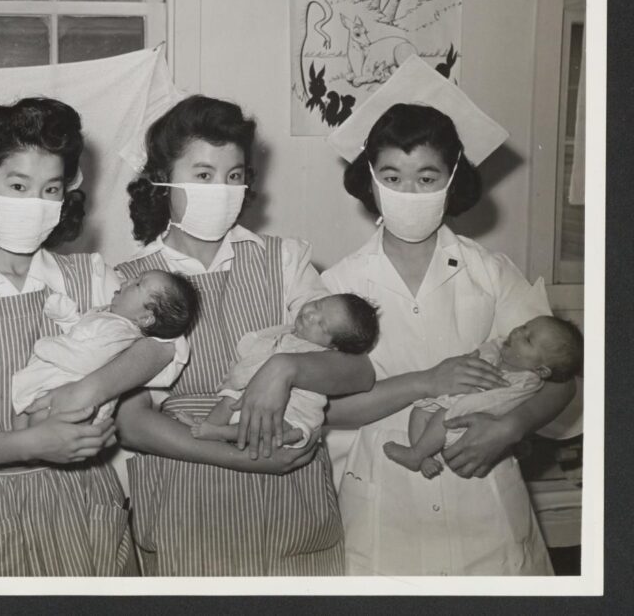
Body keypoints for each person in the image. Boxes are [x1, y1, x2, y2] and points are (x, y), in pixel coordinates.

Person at [238, 58, 577, 575]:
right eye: (393, 176)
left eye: (427, 177)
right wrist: (426, 382)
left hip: (484, 500)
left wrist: (510, 428)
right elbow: (327, 408)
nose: (409, 192)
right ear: (370, 180)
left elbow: (559, 379)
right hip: (383, 510)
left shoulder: (491, 273)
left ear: (452, 180)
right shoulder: (335, 288)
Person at [0, 97, 188, 576]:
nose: (35, 204)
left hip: (89, 506)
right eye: (18, 186)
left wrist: (90, 389)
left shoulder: (91, 277)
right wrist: (35, 442)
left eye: (50, 189)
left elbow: (168, 343)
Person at [105, 94, 375, 576]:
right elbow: (132, 421)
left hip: (290, 505)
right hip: (186, 505)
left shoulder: (284, 259)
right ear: (161, 181)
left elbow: (356, 369)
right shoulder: (128, 282)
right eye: (203, 175)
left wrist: (283, 368)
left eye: (234, 176)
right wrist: (241, 460)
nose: (222, 189)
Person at [384, 315, 583, 478]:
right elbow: (481, 353)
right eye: (523, 326)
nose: (517, 332)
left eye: (528, 339)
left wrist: (461, 405)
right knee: (419, 411)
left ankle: (415, 455)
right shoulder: (500, 353)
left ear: (541, 370)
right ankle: (424, 454)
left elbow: (498, 401)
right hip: (456, 401)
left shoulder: (525, 381)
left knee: (440, 418)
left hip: (472, 420)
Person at [182, 293, 378, 448]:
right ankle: (208, 425)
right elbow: (256, 350)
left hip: (290, 411)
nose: (311, 315)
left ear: (333, 346)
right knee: (229, 399)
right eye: (318, 304)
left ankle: (220, 433)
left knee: (273, 427)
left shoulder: (319, 354)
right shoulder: (284, 332)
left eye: (322, 324)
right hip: (248, 394)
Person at [11, 270, 198, 427]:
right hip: (61, 384)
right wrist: (68, 318)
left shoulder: (121, 332)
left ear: (146, 318)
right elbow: (83, 335)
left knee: (36, 419)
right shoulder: (110, 318)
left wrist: (45, 346)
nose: (127, 280)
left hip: (76, 396)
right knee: (23, 419)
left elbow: (87, 359)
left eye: (138, 284)